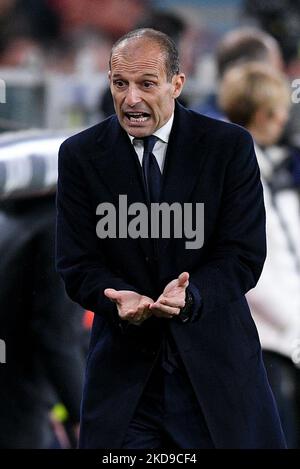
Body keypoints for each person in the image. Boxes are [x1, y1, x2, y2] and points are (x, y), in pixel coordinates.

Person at [56, 28, 286, 449]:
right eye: (120, 84)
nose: (131, 99)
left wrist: (192, 295)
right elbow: (76, 263)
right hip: (126, 385)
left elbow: (243, 254)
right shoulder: (79, 155)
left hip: (215, 375)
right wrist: (116, 297)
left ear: (177, 84)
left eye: (146, 84)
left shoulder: (228, 148)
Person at [219, 62, 300, 448]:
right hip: (266, 345)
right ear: (267, 113)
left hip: (286, 341)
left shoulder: (273, 168)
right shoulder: (237, 170)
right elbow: (250, 269)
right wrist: (295, 326)